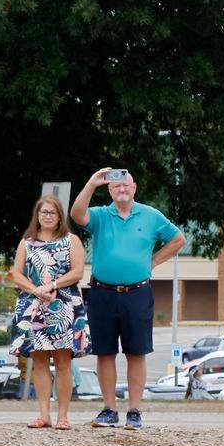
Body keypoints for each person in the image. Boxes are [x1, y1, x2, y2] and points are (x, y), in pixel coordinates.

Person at [70, 168, 185, 430]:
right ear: (109, 190)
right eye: (116, 187)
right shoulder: (101, 215)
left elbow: (178, 239)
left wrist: (153, 261)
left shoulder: (151, 215)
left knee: (137, 352)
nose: (122, 190)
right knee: (105, 352)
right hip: (102, 292)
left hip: (137, 293)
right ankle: (109, 409)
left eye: (126, 186)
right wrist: (91, 183)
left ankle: (134, 411)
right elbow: (77, 214)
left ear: (134, 188)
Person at [9, 195, 90, 430]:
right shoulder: (27, 242)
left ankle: (63, 415)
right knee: (40, 361)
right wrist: (36, 290)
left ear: (59, 216)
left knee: (63, 361)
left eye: (52, 213)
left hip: (63, 304)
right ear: (37, 215)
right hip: (34, 305)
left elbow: (77, 273)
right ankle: (44, 414)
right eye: (43, 212)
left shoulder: (71, 240)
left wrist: (52, 286)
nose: (47, 216)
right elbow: (17, 274)